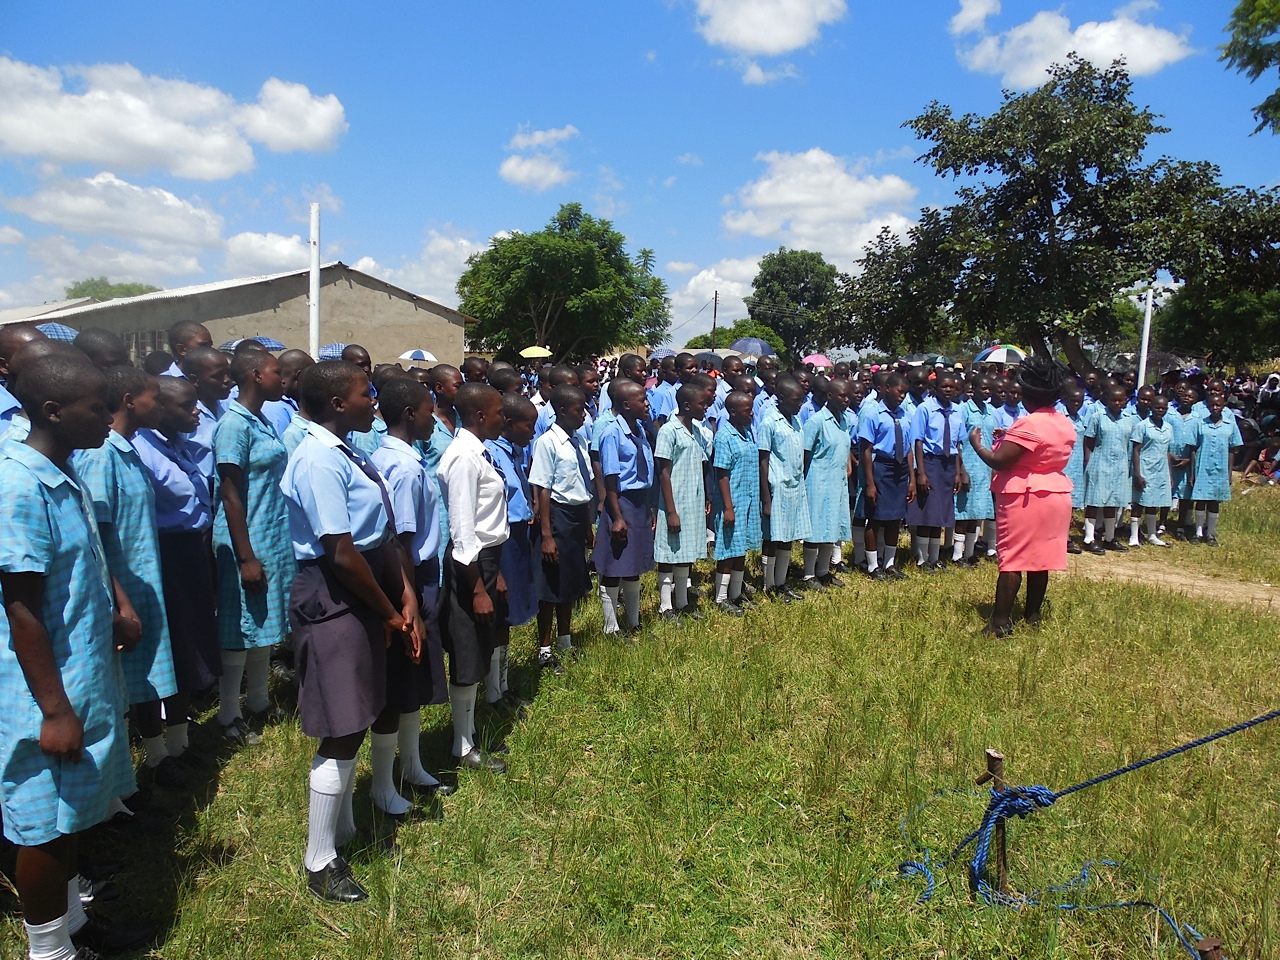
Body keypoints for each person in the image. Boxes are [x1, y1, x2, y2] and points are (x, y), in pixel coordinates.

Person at [0, 354, 152, 960]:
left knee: (69, 820)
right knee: (42, 827)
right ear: (53, 412)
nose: (107, 418)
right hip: (41, 691)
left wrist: (114, 607)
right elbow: (22, 609)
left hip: (80, 674)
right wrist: (56, 711)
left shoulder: (64, 471)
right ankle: (49, 951)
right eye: (96, 407)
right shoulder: (18, 484)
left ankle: (73, 929)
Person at [282, 360, 423, 902]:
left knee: (359, 713)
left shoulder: (348, 450)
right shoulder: (317, 458)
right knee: (341, 725)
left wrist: (404, 594)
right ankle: (320, 860)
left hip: (369, 585)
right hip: (336, 592)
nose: (374, 400)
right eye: (367, 393)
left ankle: (342, 826)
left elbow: (380, 534)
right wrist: (389, 611)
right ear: (339, 403)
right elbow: (340, 550)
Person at [74, 366, 188, 789]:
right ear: (127, 400)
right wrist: (119, 600)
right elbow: (98, 533)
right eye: (153, 398)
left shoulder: (127, 449)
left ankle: (153, 764)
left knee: (146, 677)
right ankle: (120, 790)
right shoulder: (100, 456)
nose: (159, 406)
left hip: (143, 582)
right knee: (124, 686)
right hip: (122, 589)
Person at [368, 376, 453, 813]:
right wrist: (410, 600)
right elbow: (399, 539)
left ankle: (413, 765)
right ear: (409, 414)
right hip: (408, 577)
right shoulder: (401, 467)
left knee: (413, 679)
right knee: (400, 680)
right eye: (427, 410)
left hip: (419, 573)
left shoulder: (402, 457)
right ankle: (382, 785)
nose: (432, 418)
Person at [212, 350, 295, 746]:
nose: (284, 380)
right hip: (245, 538)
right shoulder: (232, 425)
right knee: (239, 627)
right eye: (278, 373)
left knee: (262, 622)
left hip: (270, 533)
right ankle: (229, 714)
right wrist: (246, 556)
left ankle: (259, 700)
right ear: (256, 375)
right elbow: (230, 494)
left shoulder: (259, 419)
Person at [966, 357, 1077, 637]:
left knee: (1013, 559)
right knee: (1040, 559)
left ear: (1029, 395)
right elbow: (1040, 450)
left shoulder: (1028, 423)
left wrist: (977, 445)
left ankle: (1000, 623)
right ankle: (1033, 616)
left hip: (1025, 496)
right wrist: (1009, 436)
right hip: (1055, 493)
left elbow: (1000, 461)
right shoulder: (1063, 421)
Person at [133, 376, 222, 721]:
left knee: (192, 640)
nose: (196, 410)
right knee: (175, 643)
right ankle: (160, 744)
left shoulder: (174, 443)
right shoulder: (141, 449)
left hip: (192, 548)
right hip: (168, 553)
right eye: (186, 405)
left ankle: (180, 735)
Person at [437, 382, 510, 774]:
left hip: (486, 561)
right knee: (467, 654)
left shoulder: (478, 452)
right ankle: (461, 745)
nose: (504, 418)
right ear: (481, 416)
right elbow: (463, 530)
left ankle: (467, 732)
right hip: (471, 565)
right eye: (499, 413)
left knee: (479, 648)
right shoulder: (464, 457)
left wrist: (493, 575)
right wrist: (478, 587)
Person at [530, 384, 595, 664]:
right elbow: (543, 488)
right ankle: (544, 648)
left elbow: (583, 484)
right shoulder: (547, 442)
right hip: (556, 517)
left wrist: (588, 524)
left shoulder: (579, 440)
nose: (584, 415)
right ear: (562, 411)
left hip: (577, 517)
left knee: (570, 582)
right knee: (551, 586)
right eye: (579, 410)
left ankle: (565, 640)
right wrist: (546, 535)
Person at [484, 393, 540, 705]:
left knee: (509, 616)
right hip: (501, 539)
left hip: (518, 534)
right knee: (499, 616)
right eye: (528, 424)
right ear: (508, 423)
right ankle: (493, 692)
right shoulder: (490, 453)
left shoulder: (511, 450)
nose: (533, 431)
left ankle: (503, 686)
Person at [594, 379, 657, 632]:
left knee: (634, 565)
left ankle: (633, 622)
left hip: (640, 503)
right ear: (626, 404)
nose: (647, 404)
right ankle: (611, 627)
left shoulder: (640, 429)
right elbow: (610, 478)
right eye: (642, 400)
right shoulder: (612, 434)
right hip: (620, 503)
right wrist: (617, 516)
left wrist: (649, 507)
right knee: (615, 564)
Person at [655, 383, 709, 620]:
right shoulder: (669, 431)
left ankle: (682, 601)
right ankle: (665, 606)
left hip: (692, 502)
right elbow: (664, 472)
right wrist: (671, 511)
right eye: (702, 404)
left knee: (684, 552)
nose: (706, 408)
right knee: (669, 553)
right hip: (675, 501)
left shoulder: (695, 430)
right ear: (687, 405)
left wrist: (705, 495)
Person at [907, 372, 969, 571]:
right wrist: (921, 472)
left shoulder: (958, 411)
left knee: (941, 513)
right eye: (944, 386)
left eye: (952, 387)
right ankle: (922, 559)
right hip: (930, 462)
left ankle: (935, 558)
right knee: (927, 513)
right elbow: (918, 441)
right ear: (934, 388)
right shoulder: (925, 409)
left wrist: (959, 471)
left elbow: (957, 444)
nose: (949, 390)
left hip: (949, 464)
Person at [757, 375, 810, 602]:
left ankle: (782, 582)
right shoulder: (769, 421)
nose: (800, 404)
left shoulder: (796, 420)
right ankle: (769, 585)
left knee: (787, 536)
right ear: (781, 398)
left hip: (795, 486)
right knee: (772, 538)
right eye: (796, 400)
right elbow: (763, 460)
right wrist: (766, 499)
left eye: (802, 400)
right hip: (776, 488)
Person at [858, 372, 914, 581]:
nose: (902, 396)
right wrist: (870, 483)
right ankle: (873, 566)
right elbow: (866, 449)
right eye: (900, 391)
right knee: (875, 519)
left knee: (895, 519)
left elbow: (908, 448)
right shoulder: (873, 414)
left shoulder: (904, 415)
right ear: (887, 388)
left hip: (900, 470)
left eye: (905, 393)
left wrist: (912, 480)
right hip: (881, 467)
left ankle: (889, 563)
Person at [710, 390, 761, 613]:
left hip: (748, 499)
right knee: (728, 550)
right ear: (732, 412)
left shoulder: (747, 432)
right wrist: (728, 508)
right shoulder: (724, 437)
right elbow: (722, 473)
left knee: (741, 549)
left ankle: (736, 593)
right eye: (747, 410)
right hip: (732, 502)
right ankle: (721, 598)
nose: (751, 413)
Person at [801, 378, 852, 589]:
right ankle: (808, 574)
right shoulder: (816, 421)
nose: (847, 400)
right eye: (842, 396)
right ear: (830, 396)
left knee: (830, 529)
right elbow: (805, 453)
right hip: (817, 483)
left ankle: (823, 571)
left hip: (837, 483)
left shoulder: (844, 420)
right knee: (815, 530)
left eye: (848, 395)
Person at [1081, 385, 1133, 554]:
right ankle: (1089, 538)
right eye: (1113, 400)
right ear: (1107, 399)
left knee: (1114, 502)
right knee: (1095, 501)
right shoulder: (1098, 417)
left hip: (1120, 465)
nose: (1117, 403)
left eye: (1121, 400)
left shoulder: (1128, 418)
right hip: (1100, 463)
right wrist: (1088, 462)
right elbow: (1088, 441)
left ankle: (1110, 538)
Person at [1189, 392, 1243, 546]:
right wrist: (1193, 472)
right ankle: (1198, 532)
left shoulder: (1230, 425)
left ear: (1223, 406)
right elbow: (1193, 448)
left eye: (1218, 405)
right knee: (1200, 499)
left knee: (1214, 501)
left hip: (1220, 469)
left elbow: (1233, 449)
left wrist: (1229, 472)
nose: (1215, 407)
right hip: (1203, 466)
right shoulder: (1201, 424)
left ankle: (1211, 533)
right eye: (1212, 405)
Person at [954, 376, 997, 566]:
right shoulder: (964, 410)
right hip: (969, 466)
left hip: (984, 469)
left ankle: (969, 553)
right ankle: (956, 554)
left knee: (977, 513)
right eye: (984, 388)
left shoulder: (991, 412)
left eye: (990, 389)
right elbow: (957, 441)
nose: (987, 392)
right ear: (975, 388)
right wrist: (961, 469)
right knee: (963, 513)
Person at [181, 345, 232, 488]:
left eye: (228, 373)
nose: (227, 380)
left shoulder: (227, 408)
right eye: (218, 376)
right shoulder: (187, 416)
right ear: (194, 380)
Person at [1130, 394, 1176, 547]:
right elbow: (1136, 450)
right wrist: (1137, 473)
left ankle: (1152, 535)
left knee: (1154, 503)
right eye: (1157, 407)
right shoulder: (1142, 426)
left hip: (1161, 470)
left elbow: (1167, 452)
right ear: (1151, 408)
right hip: (1145, 468)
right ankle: (1133, 537)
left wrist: (1169, 475)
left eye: (1163, 408)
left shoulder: (1169, 427)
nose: (1160, 410)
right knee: (1139, 503)